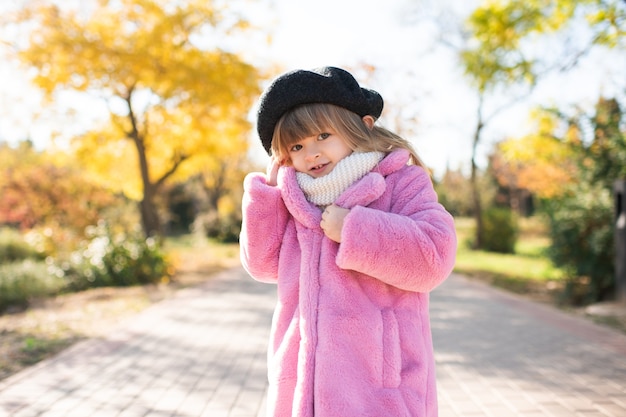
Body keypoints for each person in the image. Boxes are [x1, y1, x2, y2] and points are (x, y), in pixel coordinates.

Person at [240, 66, 457, 417]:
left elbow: (435, 256)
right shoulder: (294, 197)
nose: (311, 153)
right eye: (297, 145)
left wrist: (356, 231)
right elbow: (262, 264)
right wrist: (267, 193)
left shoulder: (401, 181)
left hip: (381, 393)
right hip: (302, 390)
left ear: (360, 127)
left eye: (323, 136)